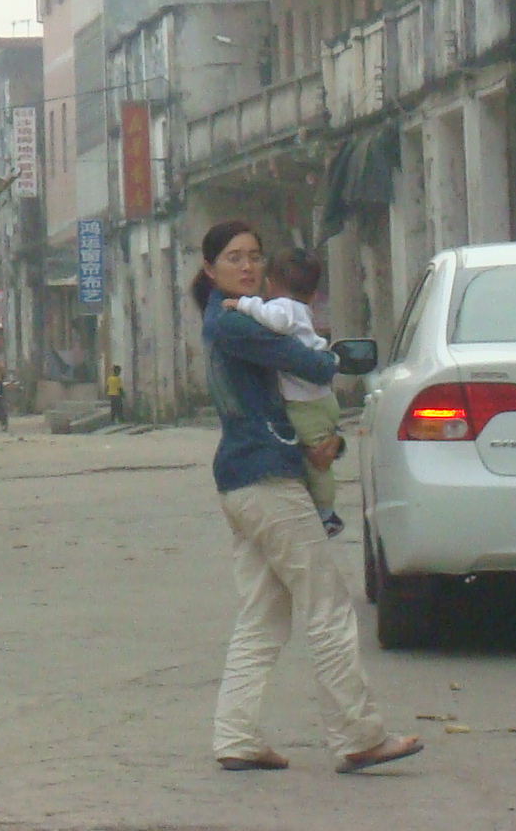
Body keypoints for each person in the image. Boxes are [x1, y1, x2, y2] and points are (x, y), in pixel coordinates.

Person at [193, 218, 421, 777]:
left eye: (254, 256)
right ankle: (358, 736)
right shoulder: (235, 322)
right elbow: (314, 365)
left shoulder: (228, 319)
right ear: (210, 269)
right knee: (328, 605)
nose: (247, 266)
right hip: (266, 478)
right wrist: (329, 359)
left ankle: (236, 736)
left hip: (246, 477)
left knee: (264, 615)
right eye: (233, 257)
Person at [235, 253, 346, 536]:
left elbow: (275, 321)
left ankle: (326, 513)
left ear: (270, 284)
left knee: (318, 462)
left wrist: (244, 304)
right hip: (320, 401)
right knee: (320, 457)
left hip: (305, 404)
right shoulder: (302, 310)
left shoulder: (283, 307)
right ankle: (324, 511)